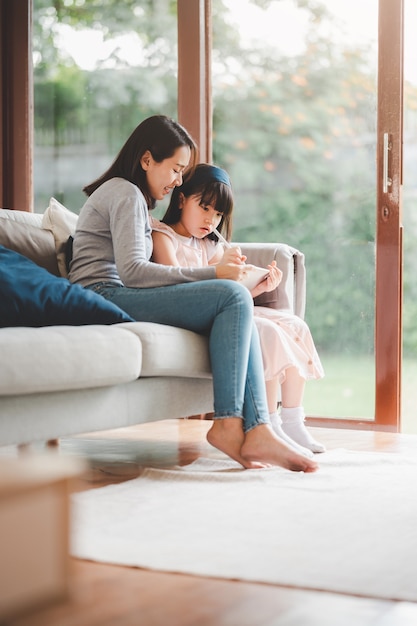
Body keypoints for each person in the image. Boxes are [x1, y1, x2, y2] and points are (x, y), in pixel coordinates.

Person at [68, 114, 317, 473]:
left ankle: (255, 427)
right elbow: (134, 272)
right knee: (229, 295)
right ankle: (235, 426)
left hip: (114, 293)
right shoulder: (124, 192)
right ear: (147, 159)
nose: (178, 180)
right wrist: (215, 273)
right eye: (175, 169)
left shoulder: (131, 195)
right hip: (101, 295)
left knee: (233, 298)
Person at [151, 163, 325, 456]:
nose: (211, 220)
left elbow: (231, 293)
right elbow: (175, 284)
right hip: (193, 313)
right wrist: (218, 268)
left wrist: (258, 285)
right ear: (181, 199)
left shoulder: (208, 243)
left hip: (222, 309)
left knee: (295, 325)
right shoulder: (163, 236)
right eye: (204, 207)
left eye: (218, 214)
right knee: (265, 331)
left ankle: (293, 421)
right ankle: (267, 425)